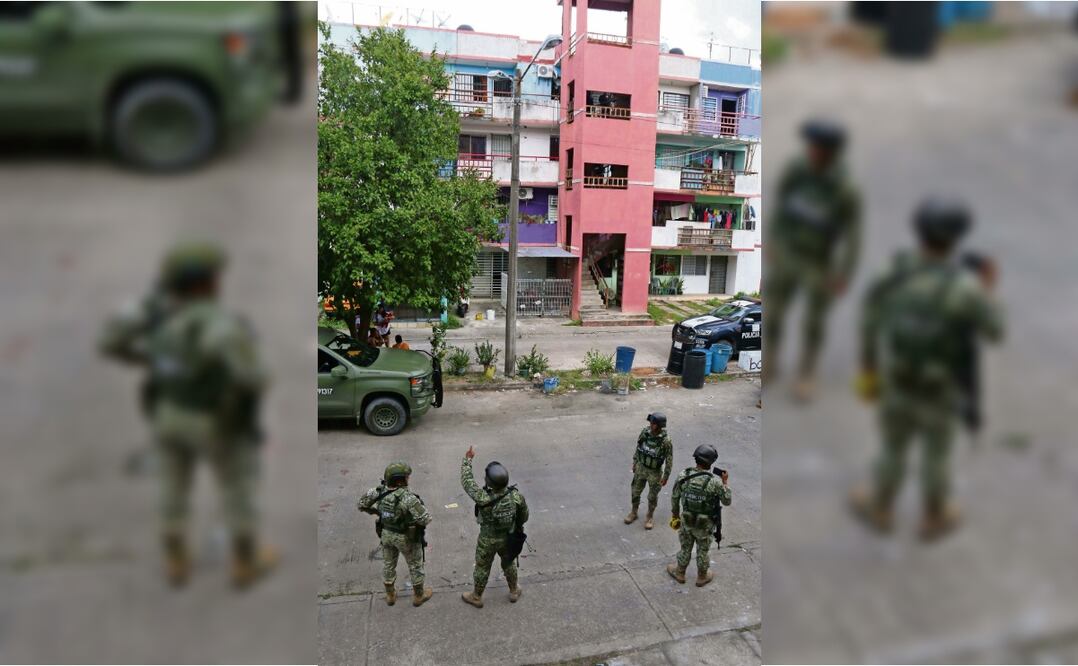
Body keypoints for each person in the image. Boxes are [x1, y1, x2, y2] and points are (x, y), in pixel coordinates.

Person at [99, 241, 274, 589]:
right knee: (237, 489)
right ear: (208, 283)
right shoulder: (220, 324)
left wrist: (147, 361)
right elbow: (255, 377)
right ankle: (244, 560)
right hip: (215, 423)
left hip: (167, 414)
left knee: (172, 488)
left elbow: (111, 342)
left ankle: (176, 558)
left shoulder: (155, 316)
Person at [851, 197, 1003, 541]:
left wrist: (868, 372)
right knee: (937, 455)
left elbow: (869, 324)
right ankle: (934, 516)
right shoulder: (964, 287)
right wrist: (988, 289)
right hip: (940, 389)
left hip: (898, 381)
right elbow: (995, 330)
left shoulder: (896, 272)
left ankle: (881, 508)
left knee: (892, 448)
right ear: (954, 238)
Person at [764, 119, 862, 402]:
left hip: (819, 262)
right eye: (811, 146)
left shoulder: (844, 189)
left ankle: (806, 372)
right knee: (775, 314)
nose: (812, 152)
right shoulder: (797, 172)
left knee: (813, 323)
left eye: (818, 148)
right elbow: (781, 209)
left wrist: (844, 272)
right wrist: (773, 241)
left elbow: (854, 236)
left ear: (831, 152)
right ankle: (771, 363)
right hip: (788, 255)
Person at [460, 446, 529, 608]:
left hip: (487, 539)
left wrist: (468, 460)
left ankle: (476, 596)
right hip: (508, 537)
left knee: (482, 567)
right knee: (509, 562)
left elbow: (467, 481)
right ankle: (513, 591)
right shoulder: (516, 496)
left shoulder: (483, 497)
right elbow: (524, 517)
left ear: (488, 482)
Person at [357, 462, 433, 606]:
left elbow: (361, 504)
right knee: (415, 565)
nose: (408, 479)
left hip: (386, 534)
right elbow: (426, 519)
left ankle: (390, 595)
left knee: (388, 564)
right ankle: (419, 596)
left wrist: (377, 512)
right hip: (406, 538)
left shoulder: (377, 492)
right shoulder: (408, 498)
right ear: (400, 480)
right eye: (406, 477)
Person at [667, 444, 731, 587]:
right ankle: (702, 577)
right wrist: (725, 482)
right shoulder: (714, 482)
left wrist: (675, 516)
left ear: (696, 458)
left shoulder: (684, 475)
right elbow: (727, 501)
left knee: (685, 547)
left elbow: (675, 497)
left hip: (687, 521)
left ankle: (680, 573)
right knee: (703, 550)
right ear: (710, 462)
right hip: (704, 524)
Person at [625, 413, 674, 530]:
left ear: (659, 425)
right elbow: (638, 447)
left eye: (653, 423)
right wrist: (635, 462)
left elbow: (669, 460)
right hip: (641, 468)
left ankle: (649, 516)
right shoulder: (645, 433)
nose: (651, 425)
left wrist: (666, 476)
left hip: (655, 472)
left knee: (652, 496)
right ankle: (634, 512)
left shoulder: (665, 441)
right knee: (635, 492)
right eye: (651, 423)